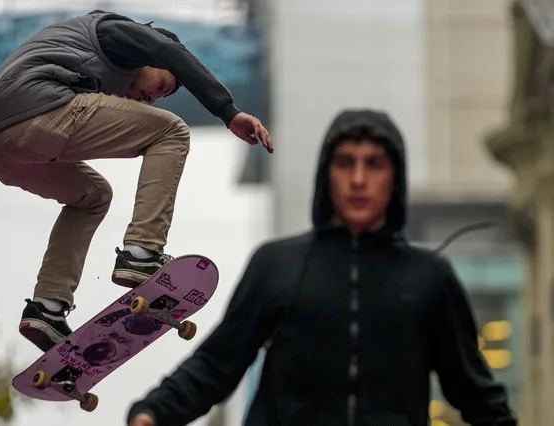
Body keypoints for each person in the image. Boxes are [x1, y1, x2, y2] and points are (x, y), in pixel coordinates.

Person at [125, 109, 517, 426]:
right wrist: (155, 412)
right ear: (327, 174)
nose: (358, 180)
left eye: (374, 164)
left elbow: (475, 392)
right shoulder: (276, 265)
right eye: (346, 163)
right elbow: (216, 364)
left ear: (394, 177)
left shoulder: (430, 278)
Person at [0, 10, 273, 353]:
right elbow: (168, 51)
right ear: (150, 55)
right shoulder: (113, 32)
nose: (150, 98)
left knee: (94, 196)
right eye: (160, 86)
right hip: (41, 112)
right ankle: (142, 253)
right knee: (171, 131)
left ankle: (48, 309)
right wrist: (228, 112)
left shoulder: (70, 61)